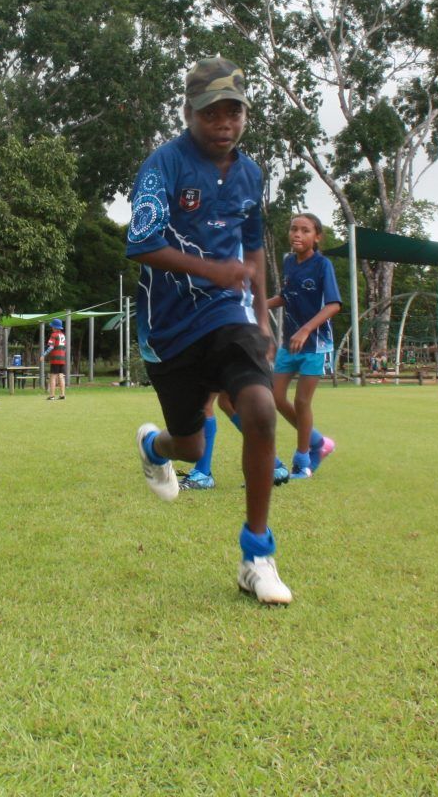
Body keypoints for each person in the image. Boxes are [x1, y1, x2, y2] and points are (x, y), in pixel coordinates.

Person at [128, 57, 292, 604]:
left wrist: (262, 315)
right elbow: (142, 243)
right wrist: (211, 270)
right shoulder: (164, 166)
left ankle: (257, 555)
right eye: (211, 113)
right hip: (170, 326)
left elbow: (253, 244)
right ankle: (154, 446)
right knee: (190, 441)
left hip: (229, 313)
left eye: (234, 112)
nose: (224, 123)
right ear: (189, 113)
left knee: (261, 408)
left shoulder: (251, 174)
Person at [268, 213, 343, 479]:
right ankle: (318, 441)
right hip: (290, 344)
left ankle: (302, 460)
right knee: (275, 397)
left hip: (315, 344)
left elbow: (333, 304)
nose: (297, 235)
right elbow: (284, 297)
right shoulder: (289, 262)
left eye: (305, 230)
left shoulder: (323, 265)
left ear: (317, 237)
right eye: (294, 229)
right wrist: (258, 304)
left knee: (301, 402)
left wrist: (306, 328)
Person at [43, 318, 68, 400]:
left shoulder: (54, 335)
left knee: (53, 376)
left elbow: (50, 347)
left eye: (52, 326)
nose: (51, 328)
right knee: (61, 376)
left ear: (54, 327)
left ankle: (52, 396)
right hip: (62, 359)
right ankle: (62, 395)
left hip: (55, 359)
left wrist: (44, 355)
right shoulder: (63, 335)